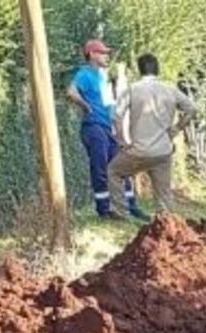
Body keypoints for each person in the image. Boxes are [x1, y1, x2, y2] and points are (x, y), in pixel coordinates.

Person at [108, 53, 196, 219]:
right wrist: (176, 129)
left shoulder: (133, 89)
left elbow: (116, 116)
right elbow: (191, 110)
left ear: (139, 69)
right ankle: (166, 220)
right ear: (158, 69)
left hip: (138, 151)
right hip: (163, 151)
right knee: (163, 191)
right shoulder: (170, 89)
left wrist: (122, 140)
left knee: (113, 171)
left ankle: (120, 212)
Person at [65, 39, 146, 220]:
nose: (106, 56)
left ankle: (130, 206)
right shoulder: (85, 74)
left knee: (120, 167)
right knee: (100, 169)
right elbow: (71, 92)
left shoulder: (103, 76)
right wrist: (85, 105)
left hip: (107, 128)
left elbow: (110, 103)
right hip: (94, 128)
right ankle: (104, 210)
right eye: (102, 53)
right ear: (92, 54)